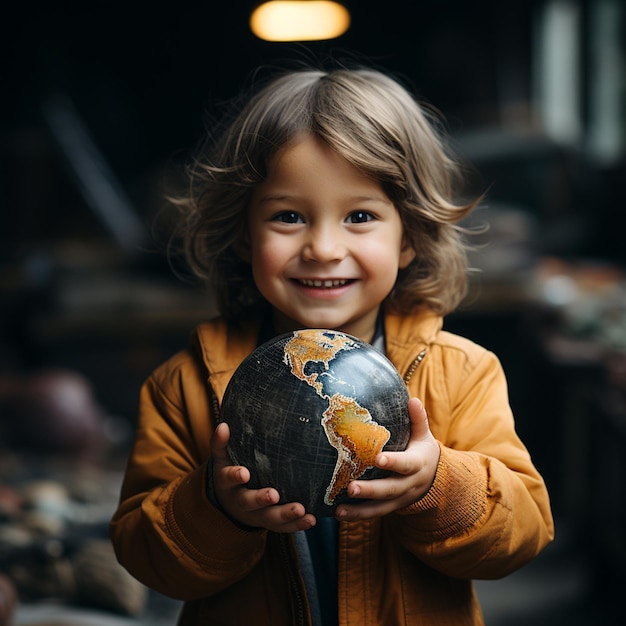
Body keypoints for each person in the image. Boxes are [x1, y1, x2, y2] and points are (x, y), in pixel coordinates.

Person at [110, 64, 554, 625]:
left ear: (410, 236)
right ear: (245, 235)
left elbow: (524, 532)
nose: (323, 247)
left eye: (360, 216)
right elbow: (144, 555)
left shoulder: (461, 373)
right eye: (289, 216)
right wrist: (217, 508)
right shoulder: (184, 385)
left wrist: (437, 483)